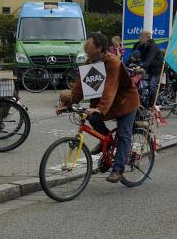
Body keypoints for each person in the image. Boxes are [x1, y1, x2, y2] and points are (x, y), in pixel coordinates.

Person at [60, 32, 140, 183]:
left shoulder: (113, 62)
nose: (85, 47)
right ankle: (107, 140)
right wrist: (67, 104)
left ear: (99, 48)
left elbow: (110, 87)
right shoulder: (89, 62)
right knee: (91, 117)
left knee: (123, 134)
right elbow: (80, 87)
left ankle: (117, 169)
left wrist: (100, 108)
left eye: (88, 45)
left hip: (125, 102)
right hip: (107, 103)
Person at [131, 31, 164, 102]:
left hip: (157, 69)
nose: (139, 38)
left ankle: (155, 104)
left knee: (152, 86)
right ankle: (143, 100)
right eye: (139, 36)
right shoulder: (142, 45)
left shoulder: (153, 46)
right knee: (141, 84)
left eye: (141, 37)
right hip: (149, 68)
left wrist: (140, 65)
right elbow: (135, 56)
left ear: (147, 37)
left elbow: (149, 60)